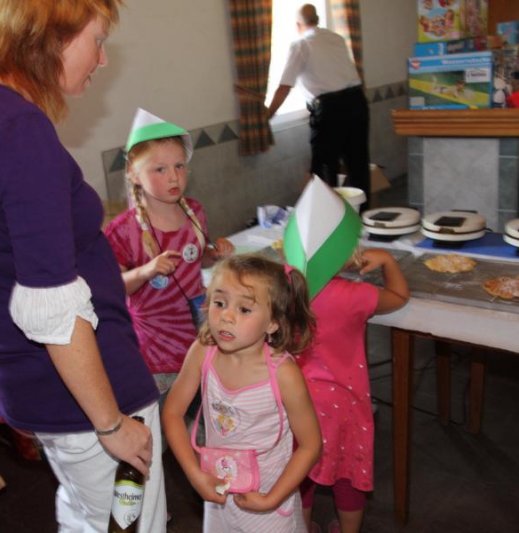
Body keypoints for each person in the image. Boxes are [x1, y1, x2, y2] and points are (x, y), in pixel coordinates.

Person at [0, 1, 166, 531]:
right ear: (52, 37)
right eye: (97, 41)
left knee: (85, 514)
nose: (102, 59)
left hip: (34, 381)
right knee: (132, 523)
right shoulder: (19, 129)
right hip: (85, 391)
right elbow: (51, 306)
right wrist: (111, 423)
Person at [163, 253, 323, 532]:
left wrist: (271, 499)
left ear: (273, 322)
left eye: (245, 309)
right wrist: (194, 474)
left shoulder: (283, 374)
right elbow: (173, 413)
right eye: (219, 303)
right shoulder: (203, 351)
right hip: (218, 495)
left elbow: (311, 446)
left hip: (270, 506)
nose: (226, 316)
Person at [288, 182, 409, 533]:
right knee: (348, 472)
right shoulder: (356, 295)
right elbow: (399, 296)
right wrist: (387, 260)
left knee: (301, 471)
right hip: (345, 402)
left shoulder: (284, 287)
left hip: (295, 399)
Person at [105, 107, 234, 403]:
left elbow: (195, 260)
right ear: (134, 174)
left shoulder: (194, 211)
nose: (174, 177)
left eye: (179, 166)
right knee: (165, 417)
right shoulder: (123, 230)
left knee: (204, 412)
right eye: (160, 169)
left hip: (198, 338)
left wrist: (214, 254)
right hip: (155, 353)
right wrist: (146, 271)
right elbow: (111, 288)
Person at [267, 4, 370, 210]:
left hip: (331, 110)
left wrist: (267, 115)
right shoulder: (336, 38)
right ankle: (361, 218)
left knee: (324, 169)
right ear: (317, 20)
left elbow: (285, 87)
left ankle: (330, 218)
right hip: (357, 102)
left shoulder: (301, 45)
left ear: (298, 25)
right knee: (358, 164)